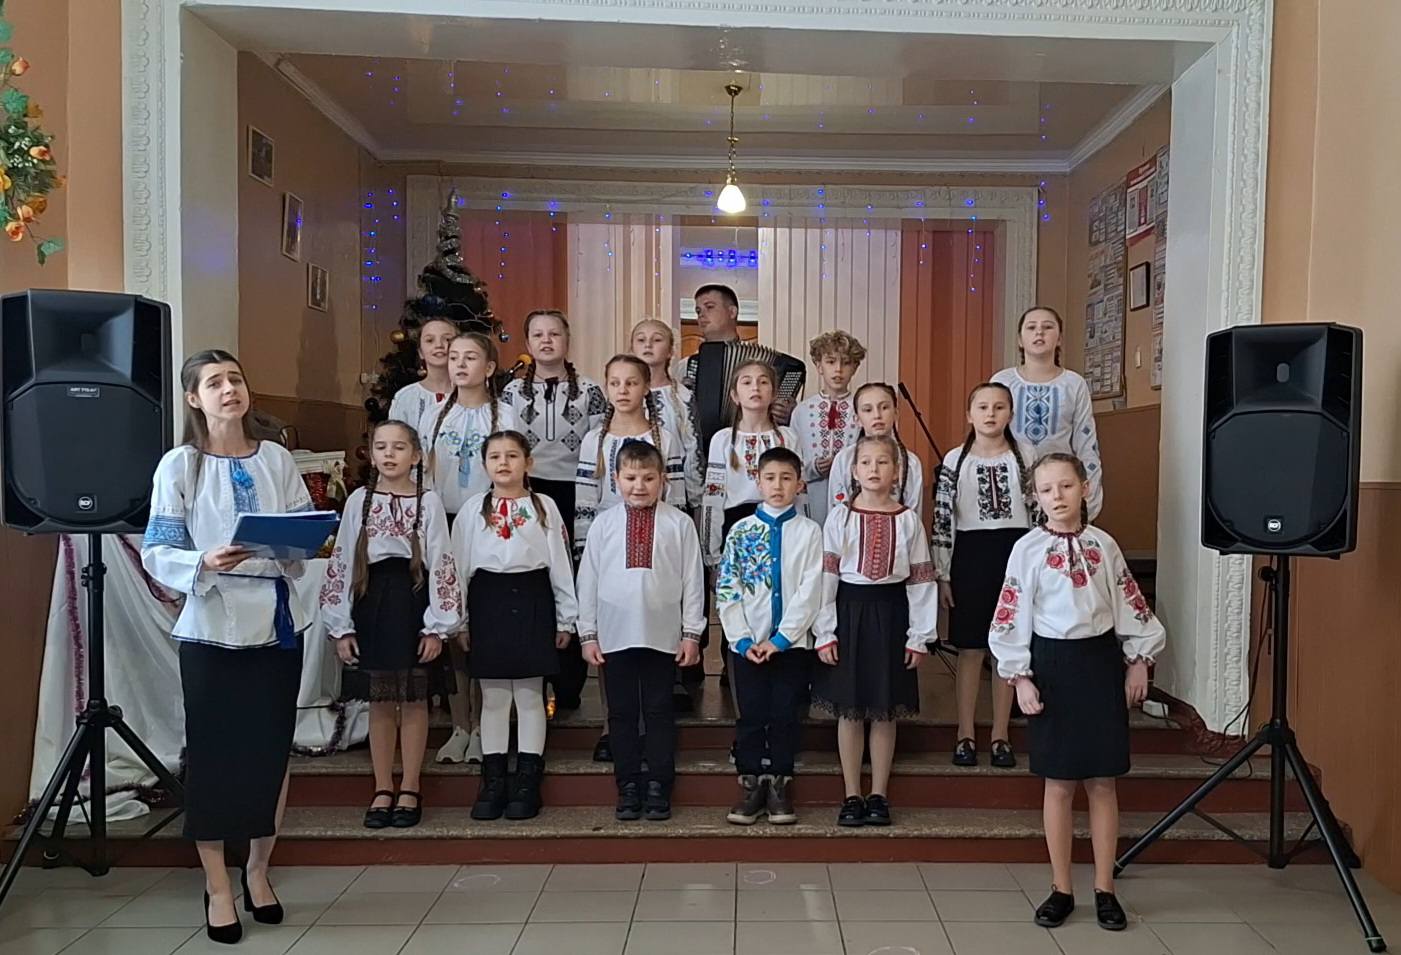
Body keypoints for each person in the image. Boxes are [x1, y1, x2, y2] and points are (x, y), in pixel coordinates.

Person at [142, 350, 312, 944]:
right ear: (194, 398)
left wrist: (297, 544)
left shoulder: (276, 458)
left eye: (236, 378)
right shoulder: (180, 465)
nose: (229, 389)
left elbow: (302, 534)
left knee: (271, 751)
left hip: (274, 625)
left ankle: (258, 871)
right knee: (214, 756)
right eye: (214, 382)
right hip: (210, 625)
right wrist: (204, 561)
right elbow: (157, 550)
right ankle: (217, 885)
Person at [988, 452, 1165, 932]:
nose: (1057, 497)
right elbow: (1010, 614)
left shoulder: (1104, 545)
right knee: (1059, 783)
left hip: (1099, 663)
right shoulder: (1027, 549)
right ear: (1035, 497)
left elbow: (1129, 602)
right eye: (1047, 490)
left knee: (1103, 781)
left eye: (1066, 486)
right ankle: (1061, 888)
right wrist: (1020, 677)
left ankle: (1105, 888)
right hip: (1052, 665)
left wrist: (1138, 661)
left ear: (1084, 488)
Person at [321, 420, 457, 830]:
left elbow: (442, 561)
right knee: (379, 701)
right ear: (371, 453)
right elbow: (343, 560)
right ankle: (382, 786)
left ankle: (411, 785)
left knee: (414, 700)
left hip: (412, 599)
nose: (389, 454)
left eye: (399, 447)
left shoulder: (428, 501)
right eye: (381, 446)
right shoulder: (359, 501)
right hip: (372, 601)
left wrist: (437, 626)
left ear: (415, 456)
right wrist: (341, 625)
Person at [813, 434, 937, 828]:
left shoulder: (908, 520)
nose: (873, 469)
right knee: (850, 710)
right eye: (866, 462)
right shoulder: (840, 517)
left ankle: (879, 794)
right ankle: (851, 793)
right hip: (849, 613)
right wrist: (825, 631)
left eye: (882, 462)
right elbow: (826, 577)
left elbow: (921, 580)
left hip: (892, 615)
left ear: (896, 472)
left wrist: (919, 635)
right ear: (853, 470)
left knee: (884, 709)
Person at [577, 441, 705, 822]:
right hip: (614, 635)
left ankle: (659, 784)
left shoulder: (679, 524)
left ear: (663, 480)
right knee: (621, 713)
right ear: (616, 480)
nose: (639, 486)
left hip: (662, 636)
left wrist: (692, 632)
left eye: (649, 478)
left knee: (659, 710)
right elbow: (588, 581)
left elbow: (693, 581)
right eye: (631, 478)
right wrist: (588, 633)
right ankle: (628, 784)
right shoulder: (603, 525)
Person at [454, 431, 578, 821]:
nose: (503, 463)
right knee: (493, 696)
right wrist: (459, 619)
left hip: (532, 598)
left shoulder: (545, 507)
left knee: (528, 694)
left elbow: (560, 562)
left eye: (512, 455)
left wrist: (566, 616)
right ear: (484, 464)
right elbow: (458, 568)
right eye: (495, 457)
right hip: (487, 600)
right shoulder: (472, 510)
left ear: (529, 463)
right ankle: (493, 780)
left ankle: (527, 780)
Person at [500, 309, 605, 712]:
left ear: (567, 340)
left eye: (554, 334)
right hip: (528, 491)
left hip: (576, 493)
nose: (546, 341)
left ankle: (569, 682)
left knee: (573, 580)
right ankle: (533, 678)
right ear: (527, 343)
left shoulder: (590, 390)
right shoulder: (511, 392)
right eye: (538, 334)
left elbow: (597, 444)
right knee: (535, 580)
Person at [425, 331, 520, 765]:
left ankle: (485, 725)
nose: (460, 365)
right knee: (451, 621)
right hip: (443, 522)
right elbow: (425, 475)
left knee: (482, 624)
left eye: (470, 357)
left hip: (489, 522)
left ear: (489, 367)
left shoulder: (505, 415)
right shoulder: (433, 415)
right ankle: (459, 724)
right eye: (454, 357)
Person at [716, 448, 823, 826]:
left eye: (786, 478)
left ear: (800, 484)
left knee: (784, 714)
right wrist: (744, 640)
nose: (778, 486)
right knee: (750, 714)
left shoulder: (810, 533)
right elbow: (727, 588)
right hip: (747, 647)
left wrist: (781, 639)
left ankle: (779, 784)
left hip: (790, 647)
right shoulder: (741, 531)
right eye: (770, 478)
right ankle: (750, 785)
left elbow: (811, 590)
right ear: (757, 482)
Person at [932, 382, 1033, 769]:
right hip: (970, 556)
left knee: (1007, 647)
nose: (991, 414)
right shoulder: (956, 459)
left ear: (1010, 414)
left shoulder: (1025, 455)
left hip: (1015, 554)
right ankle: (965, 733)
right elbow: (942, 519)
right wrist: (943, 573)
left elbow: (1039, 512)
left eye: (999, 407)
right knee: (971, 648)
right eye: (983, 407)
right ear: (969, 415)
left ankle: (1001, 735)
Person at [991, 306, 1104, 519]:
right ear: (1020, 340)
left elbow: (1086, 444)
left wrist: (1089, 498)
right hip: (1011, 485)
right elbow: (989, 436)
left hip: (1058, 488)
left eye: (1048, 327)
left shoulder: (1073, 384)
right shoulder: (1002, 382)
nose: (1039, 332)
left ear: (1059, 338)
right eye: (1031, 327)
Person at [574, 354, 686, 558]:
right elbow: (585, 501)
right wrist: (583, 551)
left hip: (657, 541)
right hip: (608, 540)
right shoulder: (594, 440)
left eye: (631, 383)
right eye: (615, 383)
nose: (622, 390)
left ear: (646, 387)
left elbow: (675, 499)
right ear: (607, 387)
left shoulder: (665, 439)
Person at [699, 360, 801, 568]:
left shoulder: (787, 438)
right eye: (747, 382)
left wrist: (803, 536)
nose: (755, 388)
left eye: (763, 382)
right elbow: (713, 499)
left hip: (781, 525)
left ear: (774, 393)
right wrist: (712, 555)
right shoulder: (723, 440)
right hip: (735, 527)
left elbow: (800, 492)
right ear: (735, 396)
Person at [675, 283, 805, 444]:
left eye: (709, 307)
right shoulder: (686, 366)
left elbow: (784, 416)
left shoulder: (770, 363)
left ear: (732, 312)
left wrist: (788, 412)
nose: (701, 315)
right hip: (702, 450)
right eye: (698, 311)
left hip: (758, 446)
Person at [793, 330, 866, 526]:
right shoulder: (802, 411)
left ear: (855, 368)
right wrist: (814, 467)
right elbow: (792, 457)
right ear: (819, 366)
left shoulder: (863, 408)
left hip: (852, 494)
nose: (838, 370)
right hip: (811, 495)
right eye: (831, 362)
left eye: (846, 363)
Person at [826, 382, 925, 521]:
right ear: (857, 419)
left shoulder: (911, 462)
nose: (877, 415)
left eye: (884, 408)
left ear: (896, 413)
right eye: (868, 410)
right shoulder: (844, 459)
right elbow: (836, 515)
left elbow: (914, 517)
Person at [631, 317, 702, 508]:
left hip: (672, 491)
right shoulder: (623, 395)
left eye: (657, 339)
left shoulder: (682, 396)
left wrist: (695, 500)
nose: (648, 344)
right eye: (641, 339)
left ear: (670, 350)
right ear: (632, 349)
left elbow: (692, 450)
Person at [388, 316, 457, 430]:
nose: (439, 345)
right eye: (430, 340)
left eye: (447, 339)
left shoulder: (471, 394)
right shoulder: (406, 397)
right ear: (420, 352)